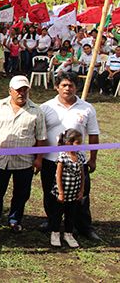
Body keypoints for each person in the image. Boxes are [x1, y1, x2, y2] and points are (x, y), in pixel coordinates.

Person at [40, 71, 100, 241]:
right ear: (56, 87)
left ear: (76, 87)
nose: (67, 88)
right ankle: (52, 222)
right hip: (50, 160)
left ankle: (84, 227)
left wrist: (93, 159)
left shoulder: (87, 108)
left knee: (81, 195)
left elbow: (94, 135)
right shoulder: (46, 108)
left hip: (76, 161)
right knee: (50, 193)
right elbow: (39, 135)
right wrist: (37, 158)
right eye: (64, 85)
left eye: (71, 85)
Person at [0, 76, 47, 233]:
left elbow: (41, 137)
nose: (22, 93)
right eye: (18, 90)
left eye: (25, 90)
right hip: (0, 160)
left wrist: (39, 159)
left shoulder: (36, 111)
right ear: (10, 91)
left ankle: (15, 219)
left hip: (25, 161)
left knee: (21, 193)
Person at [49, 128, 84, 248]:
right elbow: (58, 176)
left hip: (74, 193)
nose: (80, 145)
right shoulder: (62, 157)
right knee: (57, 214)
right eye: (77, 143)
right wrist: (61, 192)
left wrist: (81, 190)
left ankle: (68, 234)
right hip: (62, 194)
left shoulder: (79, 157)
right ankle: (55, 233)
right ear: (69, 143)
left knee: (71, 215)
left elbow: (82, 175)